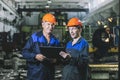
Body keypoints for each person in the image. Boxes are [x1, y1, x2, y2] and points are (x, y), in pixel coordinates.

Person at [21, 13, 60, 80]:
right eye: (48, 24)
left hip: (49, 75)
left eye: (52, 24)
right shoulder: (34, 37)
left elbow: (59, 57)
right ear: (43, 24)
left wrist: (56, 60)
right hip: (35, 75)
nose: (50, 27)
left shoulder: (55, 41)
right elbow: (24, 52)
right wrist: (35, 56)